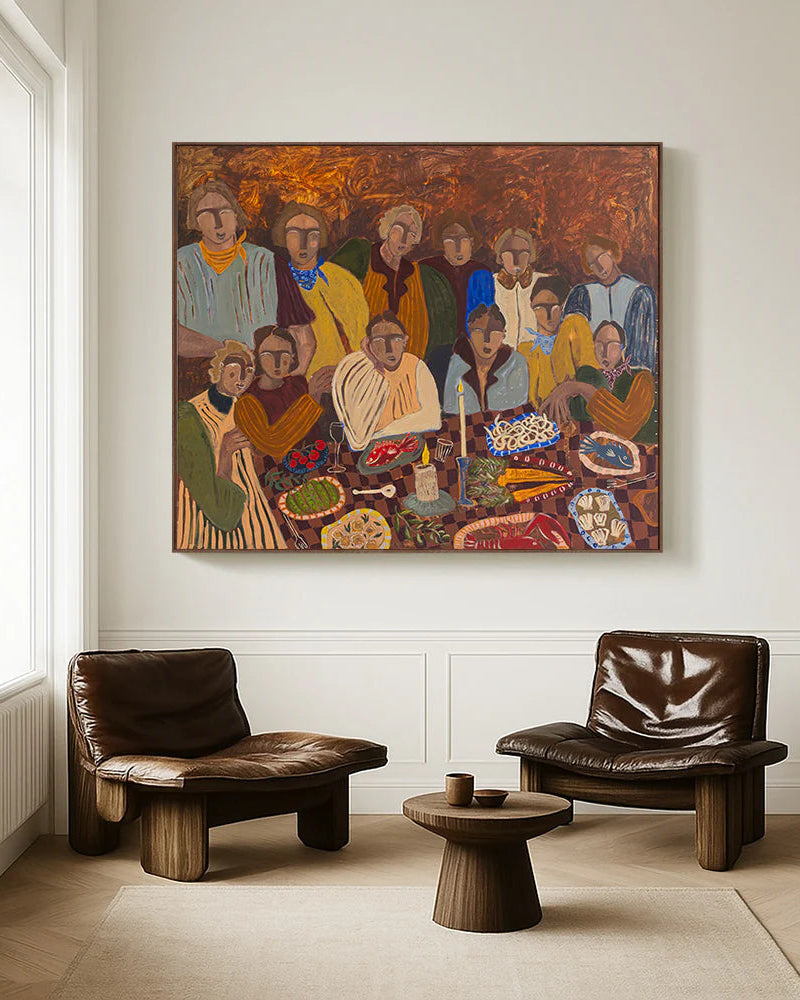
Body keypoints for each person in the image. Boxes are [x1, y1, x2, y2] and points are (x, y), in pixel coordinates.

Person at [175, 179, 314, 364]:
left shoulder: (269, 263)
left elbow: (303, 335)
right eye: (206, 214)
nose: (218, 223)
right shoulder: (179, 264)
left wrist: (295, 378)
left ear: (236, 215)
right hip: (194, 378)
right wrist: (228, 351)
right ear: (195, 221)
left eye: (224, 211)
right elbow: (169, 333)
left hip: (260, 379)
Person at [176, 341, 286, 550]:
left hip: (249, 498)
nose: (241, 381)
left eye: (247, 374)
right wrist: (225, 452)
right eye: (233, 374)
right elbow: (204, 488)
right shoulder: (189, 415)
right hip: (209, 510)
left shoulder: (241, 406)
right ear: (218, 371)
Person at [330, 204, 457, 363]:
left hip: (408, 369)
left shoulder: (423, 276)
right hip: (362, 363)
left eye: (411, 233)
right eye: (399, 228)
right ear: (387, 228)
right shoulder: (360, 256)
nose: (404, 238)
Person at [271, 202, 370, 379]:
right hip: (298, 380)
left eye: (312, 235)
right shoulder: (275, 281)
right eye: (294, 234)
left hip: (345, 377)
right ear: (283, 238)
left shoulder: (342, 279)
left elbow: (360, 333)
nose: (304, 243)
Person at [332, 311, 441, 451]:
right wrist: (373, 363)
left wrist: (383, 433)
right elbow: (358, 439)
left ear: (405, 341)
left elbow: (432, 419)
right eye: (380, 341)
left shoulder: (416, 366)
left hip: (413, 448)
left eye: (396, 339)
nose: (389, 348)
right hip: (375, 453)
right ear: (369, 344)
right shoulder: (361, 372)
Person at [540, 320, 657, 442]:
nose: (604, 352)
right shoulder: (588, 377)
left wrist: (583, 389)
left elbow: (627, 426)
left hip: (638, 455)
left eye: (612, 344)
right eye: (599, 344)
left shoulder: (642, 378)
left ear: (622, 347)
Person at [234, 326, 332, 461]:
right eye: (268, 355)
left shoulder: (298, 384)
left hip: (315, 460)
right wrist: (313, 400)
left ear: (292, 358)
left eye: (284, 355)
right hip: (276, 472)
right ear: (257, 357)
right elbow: (273, 446)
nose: (277, 363)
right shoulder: (247, 400)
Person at [563, 234, 657, 372]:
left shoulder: (639, 293)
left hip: (629, 376)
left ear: (611, 252)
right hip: (592, 374)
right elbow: (569, 343)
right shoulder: (581, 294)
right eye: (592, 264)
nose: (599, 266)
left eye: (601, 257)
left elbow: (643, 355)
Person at [516, 276, 596, 409]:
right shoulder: (525, 351)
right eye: (540, 307)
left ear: (562, 308)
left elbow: (592, 382)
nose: (548, 315)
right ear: (532, 306)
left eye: (554, 307)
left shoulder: (573, 331)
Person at [443, 304, 529, 415]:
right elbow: (451, 409)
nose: (486, 339)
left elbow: (516, 411)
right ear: (470, 332)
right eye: (479, 331)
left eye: (494, 332)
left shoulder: (516, 362)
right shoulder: (458, 362)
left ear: (503, 335)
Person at [491, 227, 549, 349]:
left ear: (530, 256)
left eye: (523, 253)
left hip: (538, 358)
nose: (516, 259)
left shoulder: (545, 282)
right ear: (500, 257)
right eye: (510, 252)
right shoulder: (489, 284)